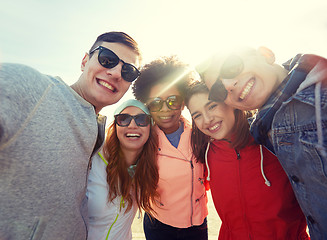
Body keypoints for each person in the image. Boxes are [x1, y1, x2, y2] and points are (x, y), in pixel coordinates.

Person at [0, 31, 141, 239]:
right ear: (85, 61)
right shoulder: (34, 89)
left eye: (128, 71)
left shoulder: (98, 131)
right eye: (107, 59)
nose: (116, 73)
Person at [200, 46, 327, 239]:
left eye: (231, 67)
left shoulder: (320, 95)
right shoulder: (263, 129)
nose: (228, 85)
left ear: (266, 54)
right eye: (218, 90)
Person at [185, 81, 309, 239]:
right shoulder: (206, 155)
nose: (207, 119)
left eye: (212, 106)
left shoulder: (275, 141)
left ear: (231, 102)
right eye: (197, 115)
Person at [132, 56, 208, 240]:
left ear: (183, 103)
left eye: (173, 100)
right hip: (159, 226)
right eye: (156, 103)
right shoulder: (141, 141)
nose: (165, 109)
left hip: (197, 225)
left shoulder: (201, 135)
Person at [86, 99, 159, 240]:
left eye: (141, 119)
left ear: (150, 127)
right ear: (115, 126)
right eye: (123, 119)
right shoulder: (93, 159)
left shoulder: (147, 169)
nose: (132, 125)